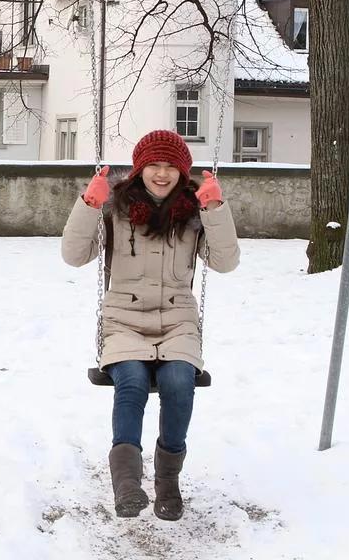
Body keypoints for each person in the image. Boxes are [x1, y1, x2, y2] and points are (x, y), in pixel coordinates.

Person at [61, 129, 240, 521]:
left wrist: (216, 210)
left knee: (179, 382)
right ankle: (126, 483)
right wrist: (89, 204)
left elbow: (225, 262)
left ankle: (167, 482)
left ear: (182, 172)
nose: (162, 174)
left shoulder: (195, 213)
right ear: (140, 169)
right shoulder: (115, 211)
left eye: (170, 167)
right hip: (123, 321)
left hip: (178, 322)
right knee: (132, 382)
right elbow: (74, 256)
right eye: (154, 166)